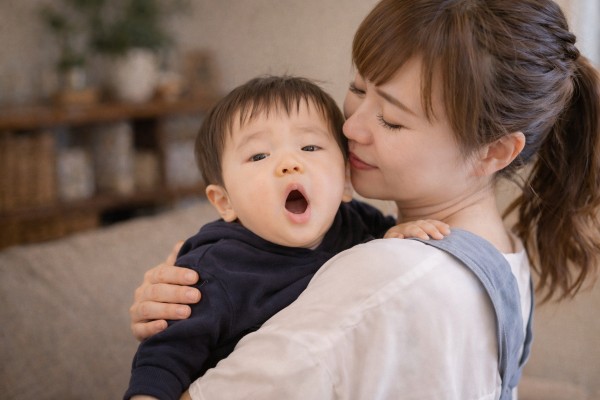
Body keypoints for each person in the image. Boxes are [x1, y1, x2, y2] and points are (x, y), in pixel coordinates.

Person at [129, 0, 600, 399]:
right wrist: (195, 294)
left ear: (493, 151)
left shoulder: (381, 278)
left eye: (392, 119)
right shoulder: (503, 255)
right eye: (357, 89)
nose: (350, 127)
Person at [124, 75, 449, 400]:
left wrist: (396, 235)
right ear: (224, 202)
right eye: (258, 156)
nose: (290, 164)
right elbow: (162, 360)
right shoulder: (215, 269)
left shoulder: (357, 223)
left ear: (346, 181)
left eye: (310, 147)